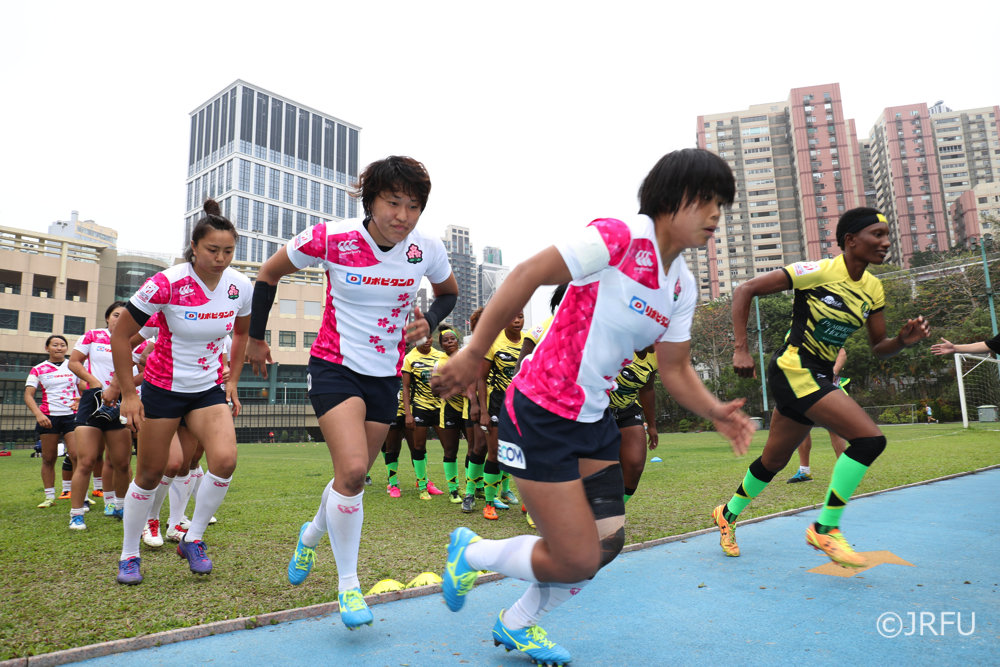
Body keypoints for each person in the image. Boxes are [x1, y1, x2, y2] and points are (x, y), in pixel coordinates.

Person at [432, 148, 753, 664]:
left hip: (592, 418)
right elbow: (527, 273)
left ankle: (516, 623)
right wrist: (473, 353)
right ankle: (471, 553)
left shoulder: (681, 285)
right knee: (577, 556)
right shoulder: (619, 237)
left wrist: (716, 411)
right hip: (539, 410)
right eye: (707, 200)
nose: (717, 214)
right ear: (670, 198)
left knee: (605, 544)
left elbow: (675, 369)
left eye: (723, 204)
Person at [249, 156, 457, 629]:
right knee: (355, 470)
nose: (403, 216)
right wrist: (257, 338)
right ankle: (349, 585)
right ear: (371, 200)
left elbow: (448, 292)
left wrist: (430, 320)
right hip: (334, 367)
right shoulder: (331, 238)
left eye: (413, 206)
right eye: (393, 202)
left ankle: (311, 534)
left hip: (384, 375)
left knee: (352, 479)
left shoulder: (425, 249)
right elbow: (268, 273)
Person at [717, 207, 930, 569]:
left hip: (818, 375)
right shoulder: (816, 271)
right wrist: (741, 348)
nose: (886, 242)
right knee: (869, 440)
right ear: (851, 240)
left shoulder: (874, 289)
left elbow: (880, 347)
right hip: (793, 368)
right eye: (877, 234)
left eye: (887, 235)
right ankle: (825, 528)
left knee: (773, 461)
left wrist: (902, 341)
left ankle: (727, 513)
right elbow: (745, 289)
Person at [111, 198, 251, 585]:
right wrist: (129, 394)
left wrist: (233, 381)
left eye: (228, 251)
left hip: (207, 389)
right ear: (194, 246)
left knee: (225, 461)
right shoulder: (167, 282)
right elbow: (121, 335)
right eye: (212, 250)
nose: (220, 258)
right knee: (151, 473)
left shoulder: (240, 286)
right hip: (164, 387)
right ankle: (129, 554)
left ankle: (193, 538)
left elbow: (241, 334)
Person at [68, 303, 136, 530]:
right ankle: (76, 514)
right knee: (86, 461)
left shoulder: (135, 340)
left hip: (121, 401)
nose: (119, 318)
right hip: (92, 401)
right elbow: (74, 362)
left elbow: (144, 368)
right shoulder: (93, 335)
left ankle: (120, 506)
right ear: (107, 317)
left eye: (125, 315)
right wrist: (94, 382)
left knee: (122, 463)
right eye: (116, 315)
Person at [477, 311, 525, 520]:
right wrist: (483, 411)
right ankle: (489, 503)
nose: (516, 320)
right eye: (512, 316)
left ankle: (528, 503)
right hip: (498, 403)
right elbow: (481, 378)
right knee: (495, 452)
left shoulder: (530, 341)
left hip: (523, 404)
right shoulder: (494, 342)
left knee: (525, 453)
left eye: (520, 316)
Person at [25, 335, 80, 512]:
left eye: (63, 345)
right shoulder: (38, 369)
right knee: (48, 458)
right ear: (47, 348)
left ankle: (81, 496)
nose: (59, 348)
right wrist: (38, 414)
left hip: (72, 416)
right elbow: (28, 395)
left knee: (76, 455)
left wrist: (81, 400)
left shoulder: (74, 365)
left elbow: (85, 387)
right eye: (55, 345)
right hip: (48, 417)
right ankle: (49, 497)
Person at [786, 347, 848, 483]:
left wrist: (833, 372)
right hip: (804, 386)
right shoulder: (795, 337)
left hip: (825, 385)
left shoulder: (823, 333)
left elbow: (842, 353)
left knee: (833, 428)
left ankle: (844, 472)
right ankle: (804, 471)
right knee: (801, 427)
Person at [608, 347, 659, 502]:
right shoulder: (618, 343)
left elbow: (647, 389)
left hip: (626, 409)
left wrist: (652, 425)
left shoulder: (655, 357)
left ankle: (613, 509)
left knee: (635, 465)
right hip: (597, 409)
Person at [402, 336, 448, 499]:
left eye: (429, 336)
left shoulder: (440, 355)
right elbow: (406, 387)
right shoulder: (410, 358)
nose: (426, 340)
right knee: (419, 447)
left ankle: (455, 488)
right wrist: (408, 413)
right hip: (420, 408)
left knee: (449, 448)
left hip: (440, 408)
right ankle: (422, 486)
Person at [435, 325, 468, 503]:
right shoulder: (439, 363)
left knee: (474, 449)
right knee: (450, 450)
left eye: (452, 339)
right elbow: (435, 390)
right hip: (449, 410)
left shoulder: (466, 358)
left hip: (468, 409)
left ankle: (473, 487)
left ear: (457, 340)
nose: (449, 342)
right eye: (446, 340)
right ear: (441, 345)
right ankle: (453, 490)